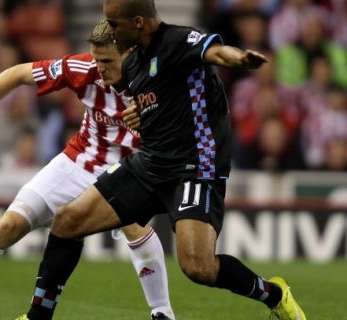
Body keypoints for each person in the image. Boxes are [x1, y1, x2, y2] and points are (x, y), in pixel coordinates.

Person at [18, 1, 307, 320]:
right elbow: (160, 100)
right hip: (151, 163)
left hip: (195, 168)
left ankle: (275, 295)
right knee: (67, 220)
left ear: (138, 22)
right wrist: (140, 114)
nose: (111, 31)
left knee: (198, 267)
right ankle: (37, 317)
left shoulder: (179, 40)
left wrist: (239, 59)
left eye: (114, 24)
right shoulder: (131, 65)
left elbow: (214, 53)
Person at [0, 20, 175, 320]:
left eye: (107, 61)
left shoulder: (157, 79)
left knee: (135, 226)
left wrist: (152, 120)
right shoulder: (83, 70)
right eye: (95, 59)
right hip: (79, 161)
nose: (99, 68)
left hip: (130, 168)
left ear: (129, 54)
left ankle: (162, 312)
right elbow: (16, 73)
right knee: (8, 225)